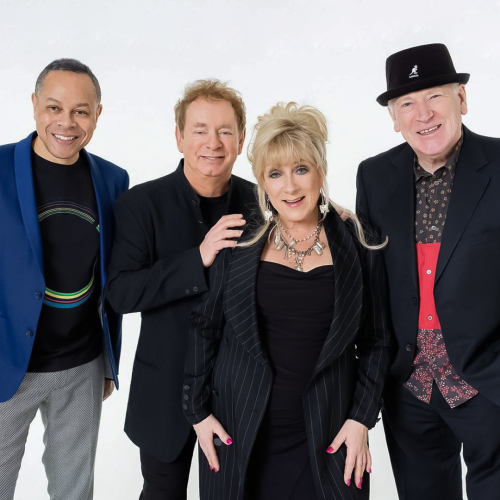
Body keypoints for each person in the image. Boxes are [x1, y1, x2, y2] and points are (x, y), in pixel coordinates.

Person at [183, 102, 391, 500]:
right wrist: (198, 413)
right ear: (262, 182)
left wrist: (361, 419)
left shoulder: (358, 243)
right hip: (240, 431)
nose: (290, 188)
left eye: (301, 169)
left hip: (330, 432)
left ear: (320, 171)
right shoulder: (239, 242)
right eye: (275, 174)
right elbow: (205, 327)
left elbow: (377, 342)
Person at [356, 42, 500, 500]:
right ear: (394, 118)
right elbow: (371, 283)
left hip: (489, 383)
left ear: (462, 98)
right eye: (407, 104)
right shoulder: (373, 177)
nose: (424, 114)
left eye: (435, 96)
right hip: (410, 389)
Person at [105, 79, 256, 500]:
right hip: (164, 390)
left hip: (238, 390)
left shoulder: (262, 202)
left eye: (225, 131)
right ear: (179, 137)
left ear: (241, 139)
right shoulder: (140, 204)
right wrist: (198, 258)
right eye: (200, 130)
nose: (213, 143)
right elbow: (121, 293)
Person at [0, 59, 129, 500]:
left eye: (81, 111)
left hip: (81, 364)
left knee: (74, 492)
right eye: (54, 107)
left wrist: (108, 361)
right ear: (35, 105)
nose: (66, 123)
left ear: (97, 114)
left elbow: (113, 273)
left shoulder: (113, 180)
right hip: (8, 365)